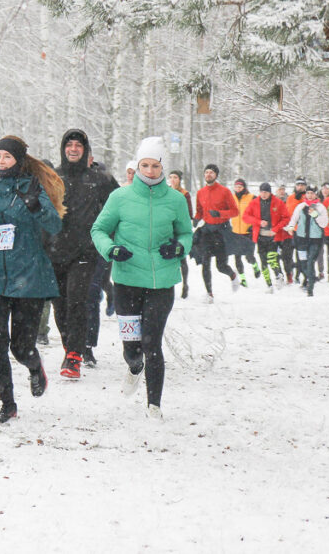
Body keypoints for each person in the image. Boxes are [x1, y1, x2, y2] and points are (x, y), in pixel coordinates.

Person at [91, 136, 193, 420]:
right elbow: (98, 230)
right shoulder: (120, 197)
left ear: (162, 166)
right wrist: (111, 249)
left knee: (152, 344)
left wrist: (179, 247)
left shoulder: (175, 200)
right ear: (137, 166)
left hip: (162, 281)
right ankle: (134, 367)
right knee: (133, 349)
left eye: (155, 165)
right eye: (144, 165)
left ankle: (154, 405)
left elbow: (186, 232)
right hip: (126, 282)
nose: (149, 171)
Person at [0, 135, 64, 423]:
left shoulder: (32, 188)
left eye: (6, 157)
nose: (0, 162)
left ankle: (34, 366)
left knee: (20, 347)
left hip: (28, 278)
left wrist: (36, 206)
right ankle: (7, 403)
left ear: (18, 160)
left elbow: (54, 224)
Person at [45, 129, 119, 379]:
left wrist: (109, 238)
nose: (73, 149)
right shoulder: (53, 176)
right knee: (60, 304)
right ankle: (70, 347)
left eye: (78, 145)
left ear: (85, 149)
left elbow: (120, 206)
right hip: (55, 251)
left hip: (85, 251)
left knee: (78, 300)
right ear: (63, 148)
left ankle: (75, 355)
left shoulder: (99, 178)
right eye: (69, 145)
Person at [192, 163, 238, 301]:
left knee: (221, 266)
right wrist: (196, 218)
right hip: (207, 231)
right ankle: (209, 293)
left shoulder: (224, 191)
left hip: (221, 231)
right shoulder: (201, 192)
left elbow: (235, 211)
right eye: (206, 172)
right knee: (205, 262)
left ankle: (233, 275)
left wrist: (219, 213)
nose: (208, 175)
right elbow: (200, 211)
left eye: (211, 173)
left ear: (216, 175)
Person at [241, 182, 290, 292]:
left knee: (272, 258)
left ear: (270, 192)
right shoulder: (254, 203)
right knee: (263, 262)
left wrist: (276, 229)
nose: (263, 194)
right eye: (262, 192)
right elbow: (245, 217)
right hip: (260, 237)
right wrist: (258, 222)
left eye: (266, 192)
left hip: (273, 236)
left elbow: (286, 218)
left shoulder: (278, 202)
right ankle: (269, 285)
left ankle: (278, 275)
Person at [285, 185, 328, 296]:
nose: (310, 195)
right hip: (301, 239)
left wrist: (315, 214)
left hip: (315, 239)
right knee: (303, 264)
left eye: (312, 193)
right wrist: (290, 228)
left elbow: (324, 223)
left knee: (310, 262)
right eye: (308, 193)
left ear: (316, 194)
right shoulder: (300, 206)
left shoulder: (320, 207)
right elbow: (293, 219)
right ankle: (310, 278)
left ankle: (310, 288)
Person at [225, 178, 257, 287]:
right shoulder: (231, 198)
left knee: (249, 257)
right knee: (237, 257)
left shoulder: (252, 198)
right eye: (236, 187)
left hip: (248, 232)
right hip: (235, 232)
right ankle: (243, 279)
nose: (238, 189)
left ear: (244, 187)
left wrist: (253, 226)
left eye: (240, 187)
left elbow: (258, 213)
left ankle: (255, 265)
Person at [167, 170, 193, 299]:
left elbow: (189, 213)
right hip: (167, 229)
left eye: (175, 177)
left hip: (179, 229)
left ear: (179, 179)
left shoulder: (185, 194)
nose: (172, 180)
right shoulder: (165, 191)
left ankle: (185, 284)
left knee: (182, 258)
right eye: (170, 177)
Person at [282, 177, 308, 281]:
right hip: (290, 230)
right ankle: (290, 271)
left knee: (300, 254)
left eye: (302, 185)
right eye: (298, 185)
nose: (300, 187)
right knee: (286, 254)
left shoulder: (307, 197)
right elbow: (287, 213)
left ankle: (298, 274)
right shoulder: (290, 198)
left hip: (302, 230)